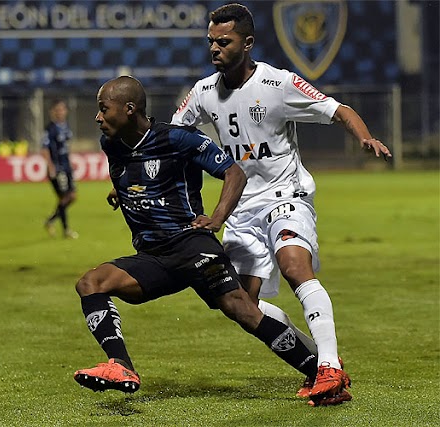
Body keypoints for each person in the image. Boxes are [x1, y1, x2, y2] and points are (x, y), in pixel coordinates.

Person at [171, 3, 392, 406]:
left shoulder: (278, 83)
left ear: (248, 43)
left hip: (285, 197)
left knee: (294, 267)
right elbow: (170, 137)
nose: (214, 49)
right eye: (210, 42)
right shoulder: (203, 92)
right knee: (241, 305)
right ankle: (320, 360)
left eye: (224, 41)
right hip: (240, 210)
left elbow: (338, 109)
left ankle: (329, 369)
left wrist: (364, 136)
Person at [73, 75, 321, 397]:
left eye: (104, 109)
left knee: (242, 310)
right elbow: (135, 172)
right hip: (154, 256)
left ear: (129, 109)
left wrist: (217, 218)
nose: (98, 117)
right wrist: (121, 191)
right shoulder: (112, 144)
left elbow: (234, 173)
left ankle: (319, 370)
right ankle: (120, 364)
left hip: (192, 245)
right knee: (90, 284)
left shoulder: (180, 139)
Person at [41, 99, 78, 239]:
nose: (61, 112)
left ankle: (50, 220)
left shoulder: (65, 126)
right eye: (58, 110)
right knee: (63, 198)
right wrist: (51, 167)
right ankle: (66, 230)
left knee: (72, 196)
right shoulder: (50, 129)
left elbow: (65, 147)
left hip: (66, 167)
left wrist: (70, 161)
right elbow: (44, 149)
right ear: (53, 112)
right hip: (57, 168)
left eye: (63, 109)